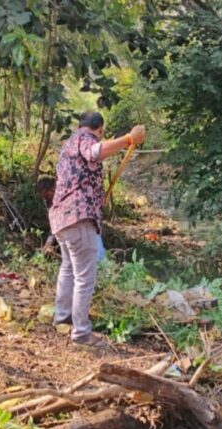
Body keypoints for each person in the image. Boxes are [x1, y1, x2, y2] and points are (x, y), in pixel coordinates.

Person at [49, 112, 145, 346]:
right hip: (78, 217)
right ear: (99, 129)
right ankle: (81, 332)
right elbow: (95, 152)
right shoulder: (85, 139)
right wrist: (129, 139)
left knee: (68, 268)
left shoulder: (68, 144)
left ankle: (62, 318)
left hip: (61, 218)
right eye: (101, 133)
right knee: (84, 277)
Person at [36, 176, 106, 261]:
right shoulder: (50, 202)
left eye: (47, 195)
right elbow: (54, 225)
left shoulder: (69, 192)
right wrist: (48, 243)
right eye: (44, 197)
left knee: (97, 256)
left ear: (53, 188)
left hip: (85, 224)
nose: (46, 198)